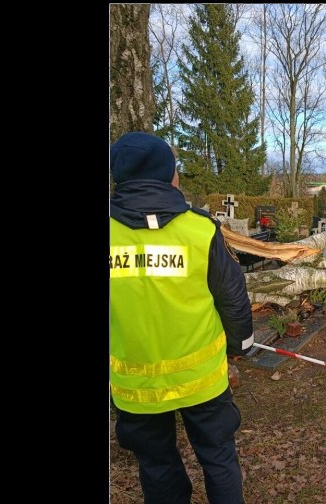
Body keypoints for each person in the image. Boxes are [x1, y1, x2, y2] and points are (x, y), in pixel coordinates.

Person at [109, 131, 254, 504]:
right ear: (169, 175)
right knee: (219, 458)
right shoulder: (199, 230)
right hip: (201, 380)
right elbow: (233, 296)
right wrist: (240, 346)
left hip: (135, 386)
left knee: (156, 466)